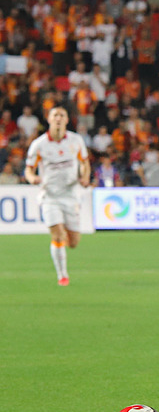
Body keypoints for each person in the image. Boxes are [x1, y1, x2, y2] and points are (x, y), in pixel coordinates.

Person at [24, 106, 91, 286]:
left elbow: (85, 163)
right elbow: (29, 169)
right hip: (50, 196)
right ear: (49, 119)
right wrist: (32, 178)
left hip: (71, 195)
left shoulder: (76, 140)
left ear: (67, 120)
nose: (58, 118)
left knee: (73, 242)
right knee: (58, 235)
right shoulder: (39, 144)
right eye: (55, 115)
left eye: (62, 115)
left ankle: (61, 244)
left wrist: (85, 177)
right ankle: (62, 275)